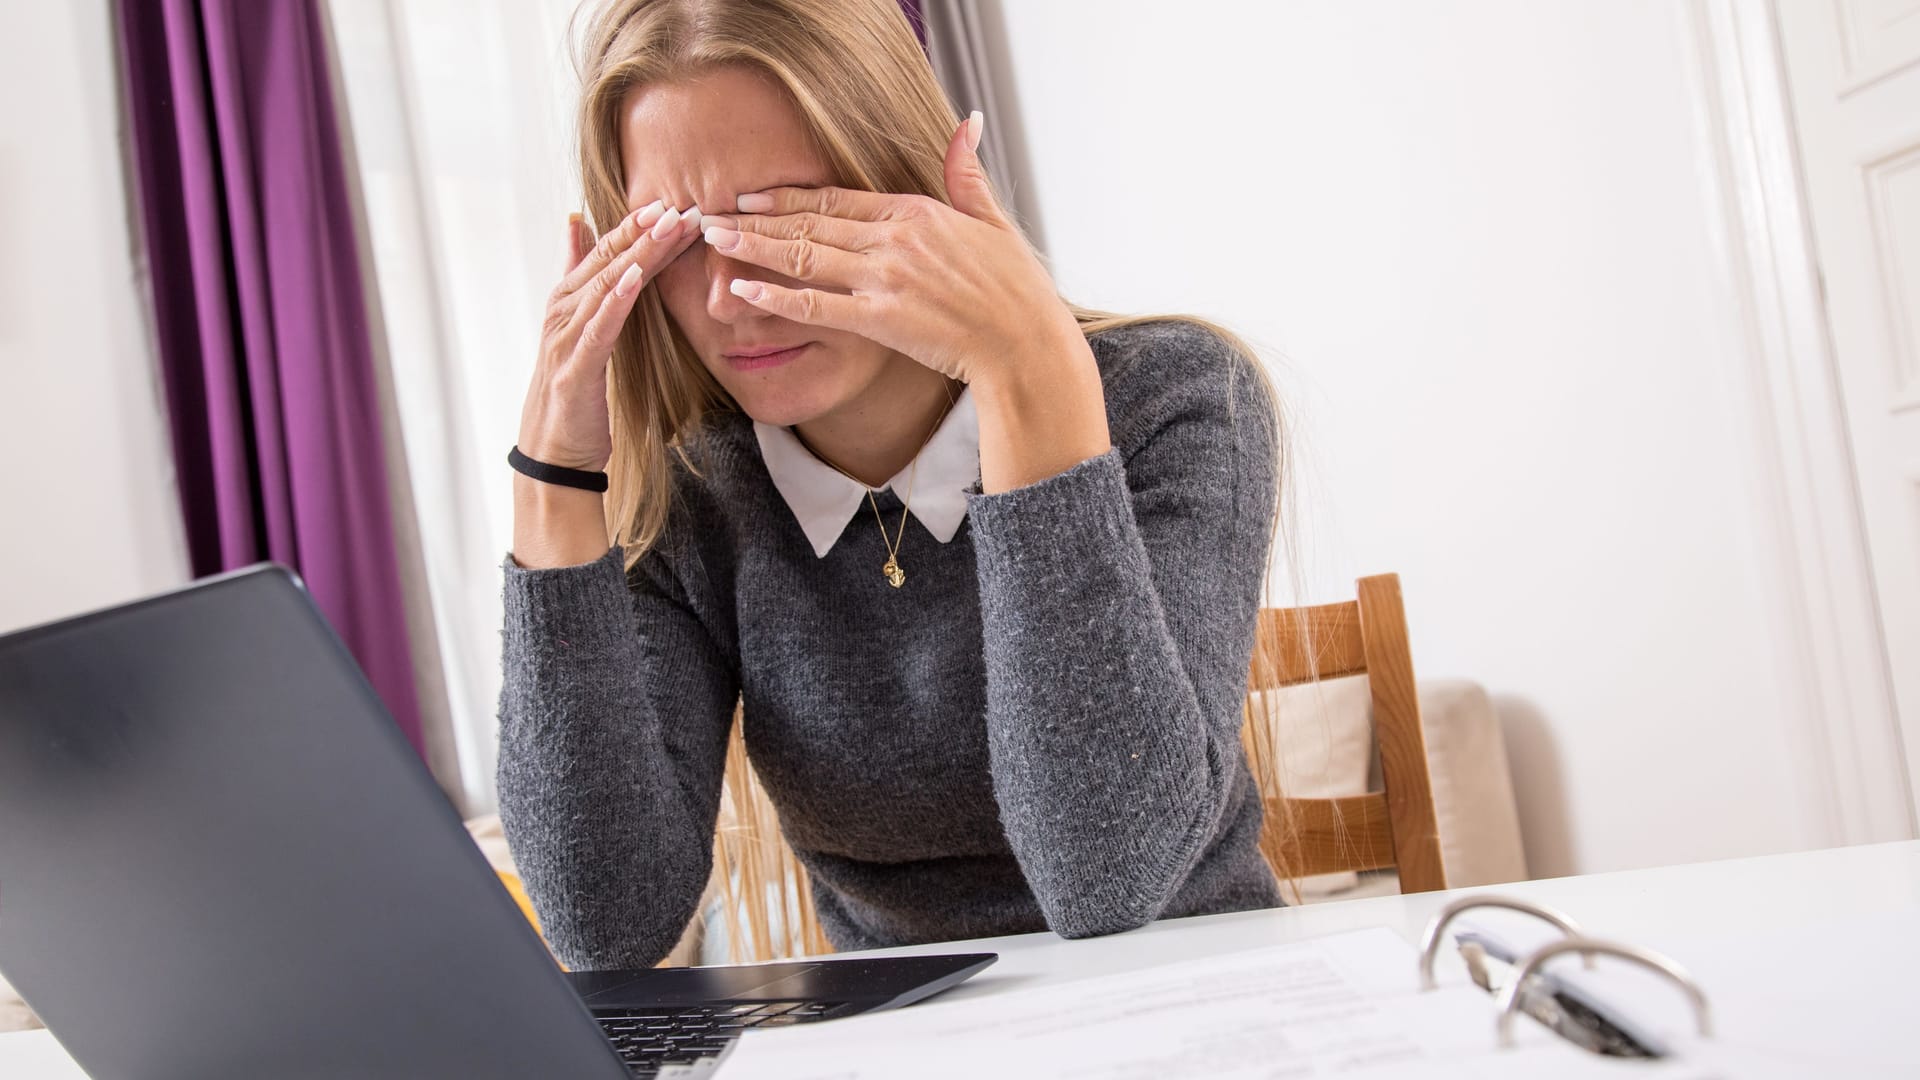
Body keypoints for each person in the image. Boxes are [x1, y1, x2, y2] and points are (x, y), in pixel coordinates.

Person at [498, 0, 1288, 972]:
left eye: (785, 219)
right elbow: (605, 927)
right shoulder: (695, 494)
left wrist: (1026, 364)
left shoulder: (1177, 396)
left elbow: (1108, 878)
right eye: (679, 241)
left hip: (1198, 1005)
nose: (729, 296)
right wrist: (552, 484)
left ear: (911, 187)